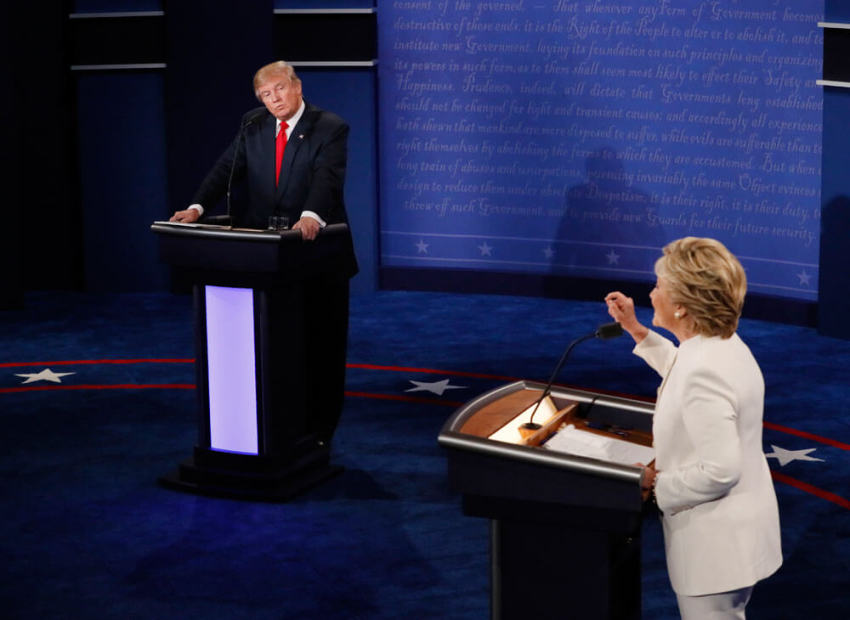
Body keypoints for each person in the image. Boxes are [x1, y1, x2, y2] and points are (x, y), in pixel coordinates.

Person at [171, 60, 358, 446]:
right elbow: (226, 170)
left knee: (320, 346)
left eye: (280, 90)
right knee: (274, 349)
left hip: (315, 255)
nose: (274, 100)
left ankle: (321, 431)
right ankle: (275, 425)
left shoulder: (330, 127)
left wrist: (310, 216)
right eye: (265, 94)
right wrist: (197, 208)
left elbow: (328, 178)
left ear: (297, 86)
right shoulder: (253, 124)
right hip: (264, 259)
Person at [605, 237, 781, 619]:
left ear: (682, 306)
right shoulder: (722, 345)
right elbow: (682, 371)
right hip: (738, 537)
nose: (651, 294)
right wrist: (635, 329)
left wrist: (654, 485)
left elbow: (721, 470)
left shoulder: (704, 369)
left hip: (715, 551)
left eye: (660, 286)